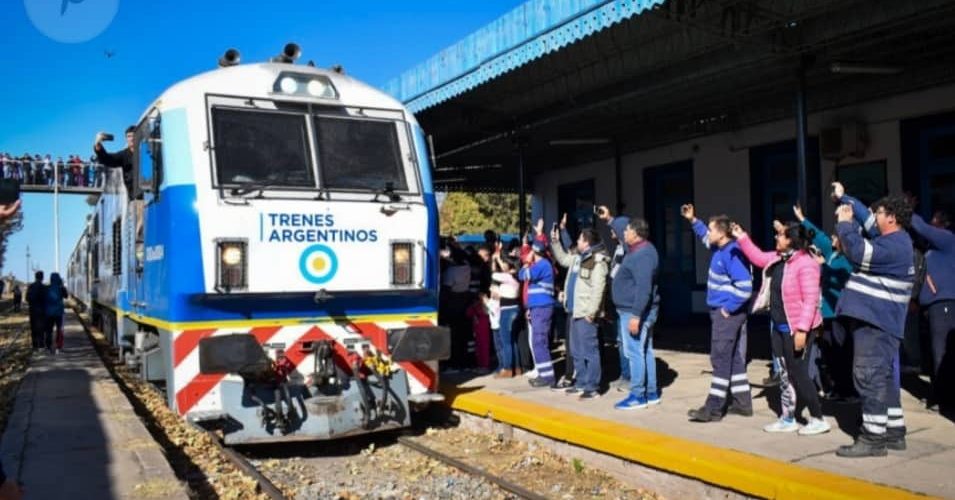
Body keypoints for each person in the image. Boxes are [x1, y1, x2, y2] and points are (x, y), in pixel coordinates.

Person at [832, 192, 915, 457]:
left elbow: (857, 251)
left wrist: (845, 224)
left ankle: (873, 439)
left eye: (879, 213)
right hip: (879, 321)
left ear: (891, 218)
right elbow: (868, 221)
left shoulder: (894, 245)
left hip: (876, 322)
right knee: (883, 378)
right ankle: (893, 431)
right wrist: (845, 198)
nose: (873, 216)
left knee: (867, 376)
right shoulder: (894, 239)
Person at [734, 221, 831, 435]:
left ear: (791, 240)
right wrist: (742, 236)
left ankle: (818, 418)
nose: (776, 238)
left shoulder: (807, 264)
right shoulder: (779, 259)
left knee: (798, 372)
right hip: (778, 325)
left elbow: (810, 300)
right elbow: (758, 257)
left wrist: (802, 330)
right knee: (785, 373)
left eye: (780, 235)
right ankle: (788, 418)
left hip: (797, 328)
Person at [682, 204, 754, 422]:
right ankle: (743, 403)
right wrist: (693, 220)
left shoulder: (731, 255)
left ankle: (713, 409)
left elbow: (746, 287)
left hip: (727, 314)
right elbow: (705, 236)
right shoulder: (720, 248)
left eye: (713, 230)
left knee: (720, 358)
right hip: (724, 312)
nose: (709, 233)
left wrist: (727, 308)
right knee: (733, 358)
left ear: (722, 234)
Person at [793, 204, 855, 400]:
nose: (833, 238)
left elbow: (840, 279)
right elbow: (818, 235)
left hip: (839, 312)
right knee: (830, 354)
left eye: (836, 237)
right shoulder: (831, 254)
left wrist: (823, 268)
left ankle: (848, 390)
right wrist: (803, 219)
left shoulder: (847, 260)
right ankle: (837, 388)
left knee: (843, 353)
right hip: (826, 313)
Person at [550, 226, 608, 399]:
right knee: (576, 350)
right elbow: (562, 259)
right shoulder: (577, 258)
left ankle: (592, 386)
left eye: (580, 239)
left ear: (587, 242)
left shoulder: (598, 261)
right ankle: (581, 382)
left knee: (590, 350)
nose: (577, 242)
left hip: (585, 313)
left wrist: (592, 312)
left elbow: (599, 288)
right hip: (573, 311)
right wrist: (555, 241)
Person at [907, 209, 955, 410]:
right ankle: (938, 395)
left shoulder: (946, 239)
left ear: (941, 223)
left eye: (933, 220)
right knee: (934, 353)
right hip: (931, 306)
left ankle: (947, 399)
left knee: (942, 353)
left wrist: (906, 209)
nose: (930, 223)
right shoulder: (933, 248)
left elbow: (921, 227)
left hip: (944, 305)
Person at [612, 218, 662, 409]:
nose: (623, 234)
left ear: (635, 233)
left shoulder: (643, 255)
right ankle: (651, 392)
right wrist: (609, 219)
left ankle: (638, 395)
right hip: (634, 310)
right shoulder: (637, 249)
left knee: (634, 352)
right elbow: (618, 229)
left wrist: (635, 315)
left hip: (635, 312)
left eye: (626, 231)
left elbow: (644, 288)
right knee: (644, 351)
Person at [597, 205, 632, 391]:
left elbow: (620, 231)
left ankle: (630, 377)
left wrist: (610, 218)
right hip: (617, 303)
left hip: (628, 304)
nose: (612, 231)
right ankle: (624, 374)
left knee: (627, 342)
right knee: (620, 341)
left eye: (616, 230)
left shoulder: (629, 249)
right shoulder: (619, 249)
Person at [519, 237, 558, 387]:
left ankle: (547, 377)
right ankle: (544, 374)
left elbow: (523, 275)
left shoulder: (542, 265)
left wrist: (527, 262)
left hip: (542, 308)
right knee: (538, 342)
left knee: (539, 342)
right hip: (537, 307)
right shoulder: (542, 265)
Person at [491, 248, 521, 377]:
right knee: (512, 340)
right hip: (514, 309)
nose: (503, 265)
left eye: (505, 263)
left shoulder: (508, 277)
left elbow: (494, 274)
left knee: (505, 341)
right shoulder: (515, 276)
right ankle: (517, 367)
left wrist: (496, 258)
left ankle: (507, 368)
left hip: (507, 311)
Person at [465, 295, 492, 372]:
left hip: (483, 330)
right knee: (478, 348)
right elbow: (468, 313)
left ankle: (485, 366)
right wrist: (473, 307)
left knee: (484, 348)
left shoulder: (484, 308)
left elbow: (486, 313)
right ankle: (480, 365)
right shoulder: (475, 308)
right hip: (477, 331)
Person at [44, 272, 68, 355]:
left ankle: (48, 347)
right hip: (59, 313)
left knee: (48, 331)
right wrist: (62, 285)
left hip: (48, 313)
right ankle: (58, 348)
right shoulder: (61, 288)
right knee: (59, 330)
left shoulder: (46, 288)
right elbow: (66, 296)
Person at [26, 271, 46, 352]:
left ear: (35, 277)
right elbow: (46, 299)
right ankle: (41, 346)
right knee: (41, 328)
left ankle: (34, 346)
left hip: (32, 310)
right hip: (41, 311)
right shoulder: (44, 287)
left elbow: (26, 298)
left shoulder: (30, 286)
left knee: (33, 328)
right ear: (42, 277)